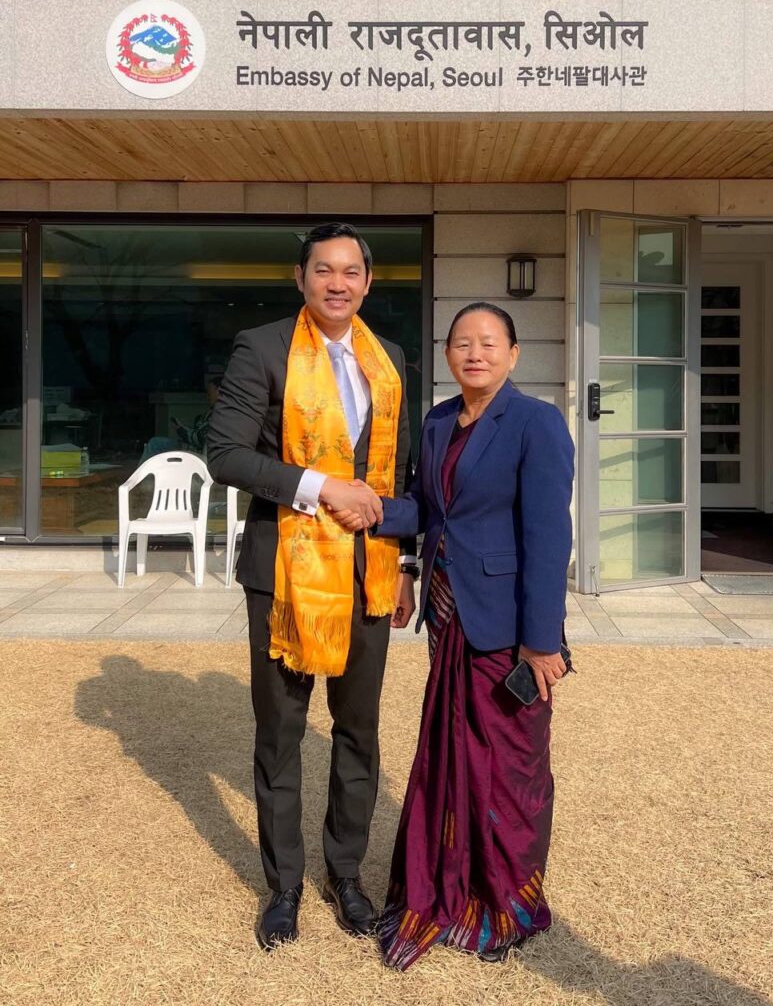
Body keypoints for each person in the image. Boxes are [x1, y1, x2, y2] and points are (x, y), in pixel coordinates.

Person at [344, 301, 574, 970]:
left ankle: (507, 906)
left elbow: (548, 536)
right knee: (451, 760)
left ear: (513, 354)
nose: (475, 353)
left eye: (489, 343)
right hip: (449, 616)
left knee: (507, 770)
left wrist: (541, 640)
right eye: (462, 343)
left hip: (508, 627)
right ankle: (448, 890)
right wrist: (375, 512)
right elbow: (426, 507)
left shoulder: (535, 422)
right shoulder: (439, 420)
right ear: (447, 354)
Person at [207, 222, 418, 951]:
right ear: (300, 278)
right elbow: (226, 454)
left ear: (368, 282)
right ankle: (284, 886)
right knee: (281, 734)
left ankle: (346, 876)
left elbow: (396, 474)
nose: (337, 283)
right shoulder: (262, 348)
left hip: (367, 573)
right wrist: (323, 487)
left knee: (358, 733)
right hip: (284, 576)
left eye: (351, 271)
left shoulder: (388, 359)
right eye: (323, 270)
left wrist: (404, 564)